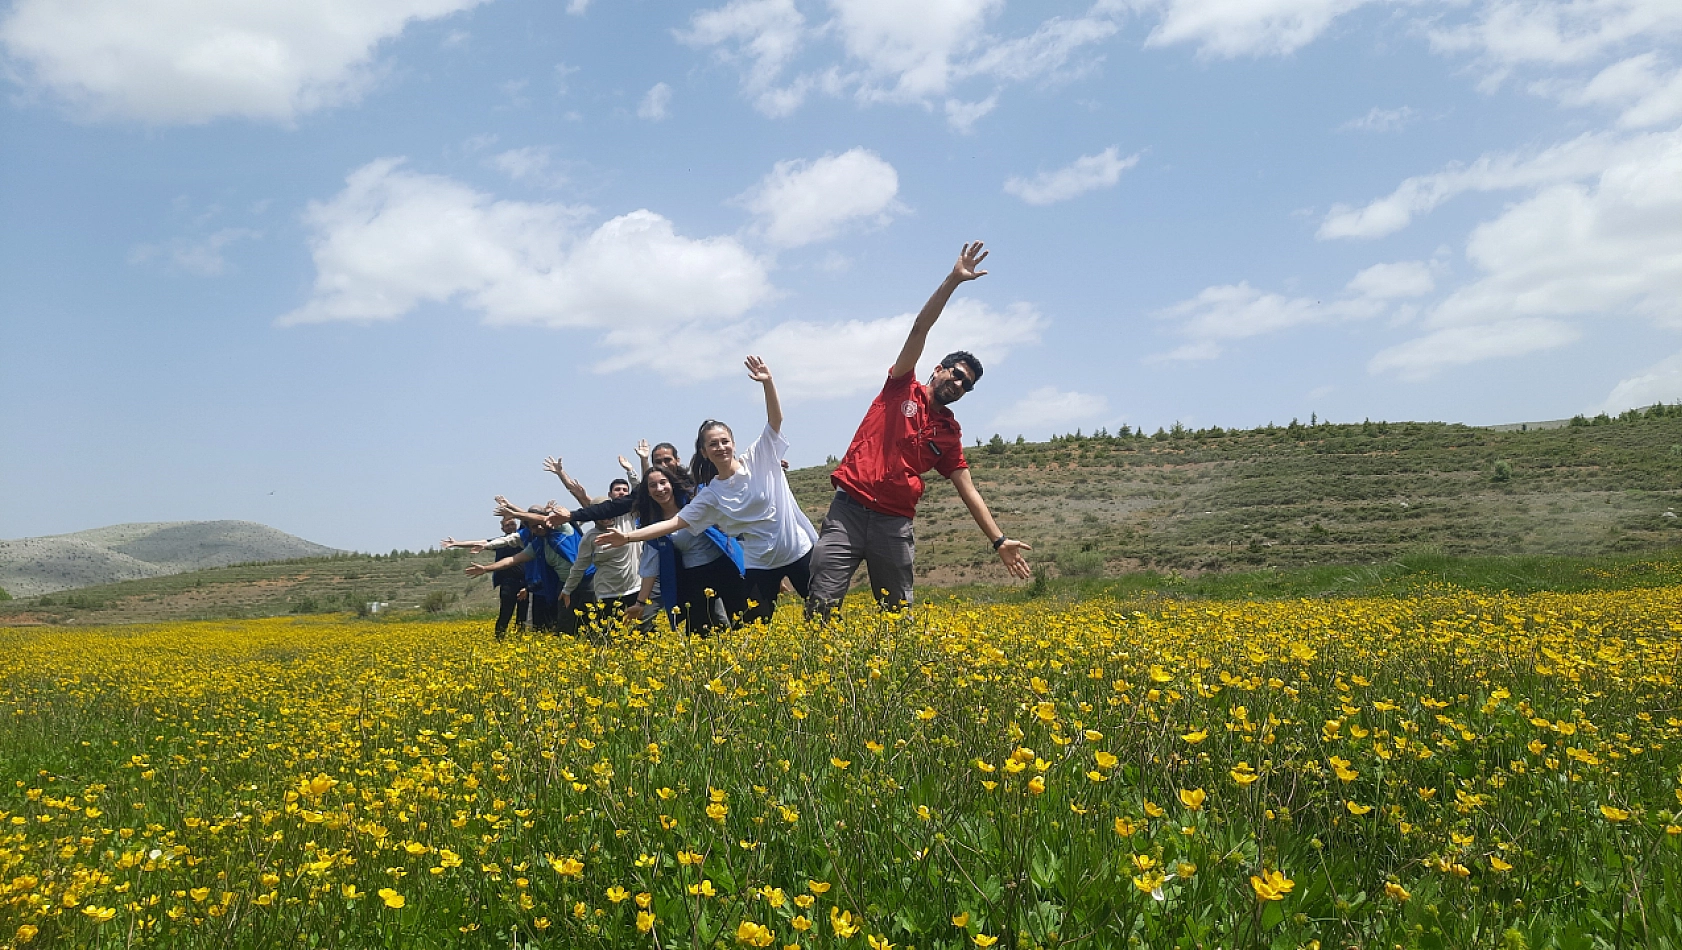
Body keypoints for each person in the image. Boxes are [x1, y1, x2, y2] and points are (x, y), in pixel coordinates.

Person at [806, 241, 1031, 620]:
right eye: (957, 374)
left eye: (967, 385)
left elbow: (968, 490)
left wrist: (999, 541)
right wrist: (953, 281)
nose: (960, 384)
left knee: (897, 618)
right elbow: (920, 327)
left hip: (894, 523)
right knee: (821, 606)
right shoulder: (900, 386)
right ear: (939, 369)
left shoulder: (949, 434)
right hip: (847, 513)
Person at [598, 356, 817, 624]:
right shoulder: (711, 495)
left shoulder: (759, 457)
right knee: (754, 629)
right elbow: (674, 523)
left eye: (725, 441)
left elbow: (775, 420)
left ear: (734, 444)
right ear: (704, 451)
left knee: (824, 616)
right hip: (760, 563)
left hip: (798, 551)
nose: (721, 447)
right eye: (713, 444)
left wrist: (768, 383)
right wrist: (629, 538)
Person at [622, 464, 749, 634]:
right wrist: (640, 603)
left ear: (671, 483)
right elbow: (650, 567)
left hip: (725, 566)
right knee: (698, 632)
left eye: (663, 482)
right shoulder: (652, 526)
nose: (660, 489)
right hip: (694, 576)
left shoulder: (695, 500)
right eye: (653, 486)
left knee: (744, 623)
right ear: (647, 492)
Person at [440, 516, 528, 638]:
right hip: (508, 582)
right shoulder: (499, 542)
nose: (510, 527)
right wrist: (456, 543)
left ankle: (521, 639)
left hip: (525, 582)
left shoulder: (523, 537)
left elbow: (527, 518)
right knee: (505, 612)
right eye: (507, 525)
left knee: (523, 614)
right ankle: (499, 638)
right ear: (502, 528)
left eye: (512, 524)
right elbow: (479, 543)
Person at [562, 506, 642, 635]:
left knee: (638, 632)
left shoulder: (625, 525)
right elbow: (579, 566)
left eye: (609, 514)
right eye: (601, 515)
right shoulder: (589, 537)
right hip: (607, 592)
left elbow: (635, 491)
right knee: (609, 634)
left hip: (634, 588)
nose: (606, 518)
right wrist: (567, 589)